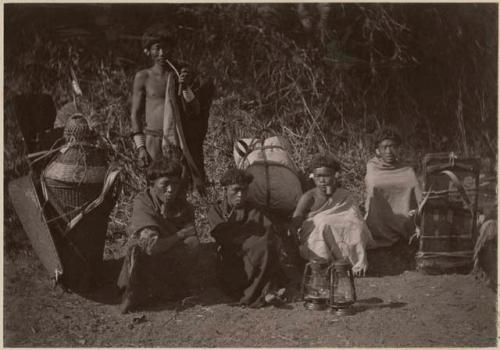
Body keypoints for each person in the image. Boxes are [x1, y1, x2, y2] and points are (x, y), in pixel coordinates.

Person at [130, 25, 214, 194]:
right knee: (156, 186)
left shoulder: (180, 73)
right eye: (157, 48)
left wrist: (185, 86)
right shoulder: (143, 77)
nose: (162, 53)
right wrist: (141, 148)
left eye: (165, 47)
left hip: (179, 140)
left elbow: (195, 109)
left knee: (180, 186)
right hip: (153, 139)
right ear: (148, 51)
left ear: (172, 49)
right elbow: (135, 115)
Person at [117, 158, 200, 313]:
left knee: (193, 244)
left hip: (167, 259)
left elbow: (192, 238)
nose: (170, 189)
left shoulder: (184, 205)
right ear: (152, 184)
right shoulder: (143, 202)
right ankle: (134, 292)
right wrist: (179, 234)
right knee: (138, 250)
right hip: (146, 258)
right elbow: (151, 246)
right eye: (165, 184)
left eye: (175, 184)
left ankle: (168, 288)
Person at [207, 169, 287, 308]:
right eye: (236, 190)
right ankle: (260, 294)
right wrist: (245, 234)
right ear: (225, 189)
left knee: (264, 246)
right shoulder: (217, 210)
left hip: (257, 254)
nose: (241, 195)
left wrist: (251, 236)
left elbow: (267, 230)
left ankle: (266, 292)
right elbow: (220, 234)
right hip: (233, 260)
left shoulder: (254, 208)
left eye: (244, 190)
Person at [289, 154, 374, 276]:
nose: (322, 181)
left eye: (326, 175)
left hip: (342, 233)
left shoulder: (344, 195)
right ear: (313, 177)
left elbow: (355, 217)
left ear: (335, 176)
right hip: (316, 236)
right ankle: (324, 263)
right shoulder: (309, 197)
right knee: (323, 223)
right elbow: (296, 221)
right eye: (318, 176)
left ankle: (353, 263)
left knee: (356, 225)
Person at [364, 128, 422, 249]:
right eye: (384, 147)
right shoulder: (372, 167)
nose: (389, 151)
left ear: (398, 148)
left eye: (392, 146)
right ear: (377, 150)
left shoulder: (407, 169)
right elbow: (372, 186)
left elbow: (418, 196)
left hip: (407, 220)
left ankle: (408, 228)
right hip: (379, 224)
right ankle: (381, 232)